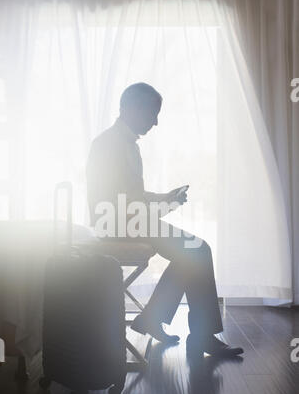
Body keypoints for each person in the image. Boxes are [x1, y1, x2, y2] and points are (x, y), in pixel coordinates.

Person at [86, 82, 243, 358]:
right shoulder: (114, 145)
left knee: (193, 253)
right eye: (152, 113)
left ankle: (157, 320)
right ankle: (195, 333)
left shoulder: (116, 142)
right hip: (121, 224)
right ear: (132, 108)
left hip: (124, 220)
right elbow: (125, 200)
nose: (156, 122)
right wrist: (165, 203)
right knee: (198, 250)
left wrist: (164, 199)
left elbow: (128, 194)